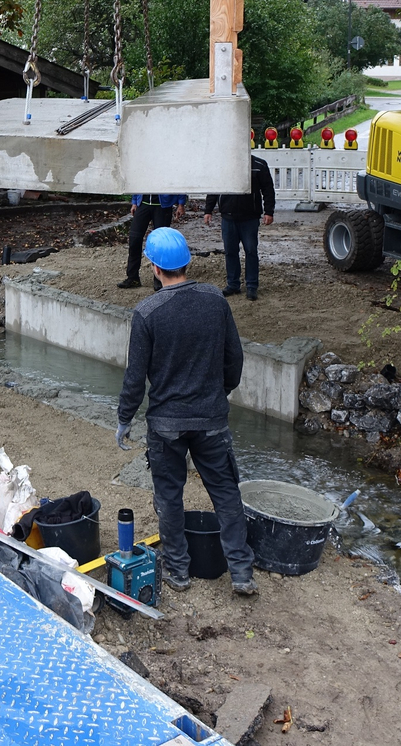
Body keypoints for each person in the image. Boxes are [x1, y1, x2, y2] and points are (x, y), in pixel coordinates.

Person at [115, 226, 258, 597]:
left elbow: (136, 375)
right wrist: (220, 392)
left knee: (169, 496)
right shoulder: (216, 301)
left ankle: (178, 572)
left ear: (154, 267)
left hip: (166, 425)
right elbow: (234, 359)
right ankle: (242, 573)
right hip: (211, 420)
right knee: (226, 493)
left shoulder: (147, 312)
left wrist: (124, 418)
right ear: (186, 263)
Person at [204, 154, 276, 300]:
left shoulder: (258, 165)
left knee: (250, 251)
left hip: (249, 217)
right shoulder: (222, 165)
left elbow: (268, 189)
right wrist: (208, 210)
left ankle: (252, 286)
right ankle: (233, 284)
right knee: (230, 251)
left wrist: (269, 211)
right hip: (228, 217)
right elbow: (214, 188)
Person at [117, 192, 186, 289]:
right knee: (134, 240)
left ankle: (159, 279)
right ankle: (133, 277)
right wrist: (135, 202)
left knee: (161, 243)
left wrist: (181, 203)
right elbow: (138, 182)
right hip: (143, 204)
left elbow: (176, 182)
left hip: (162, 206)